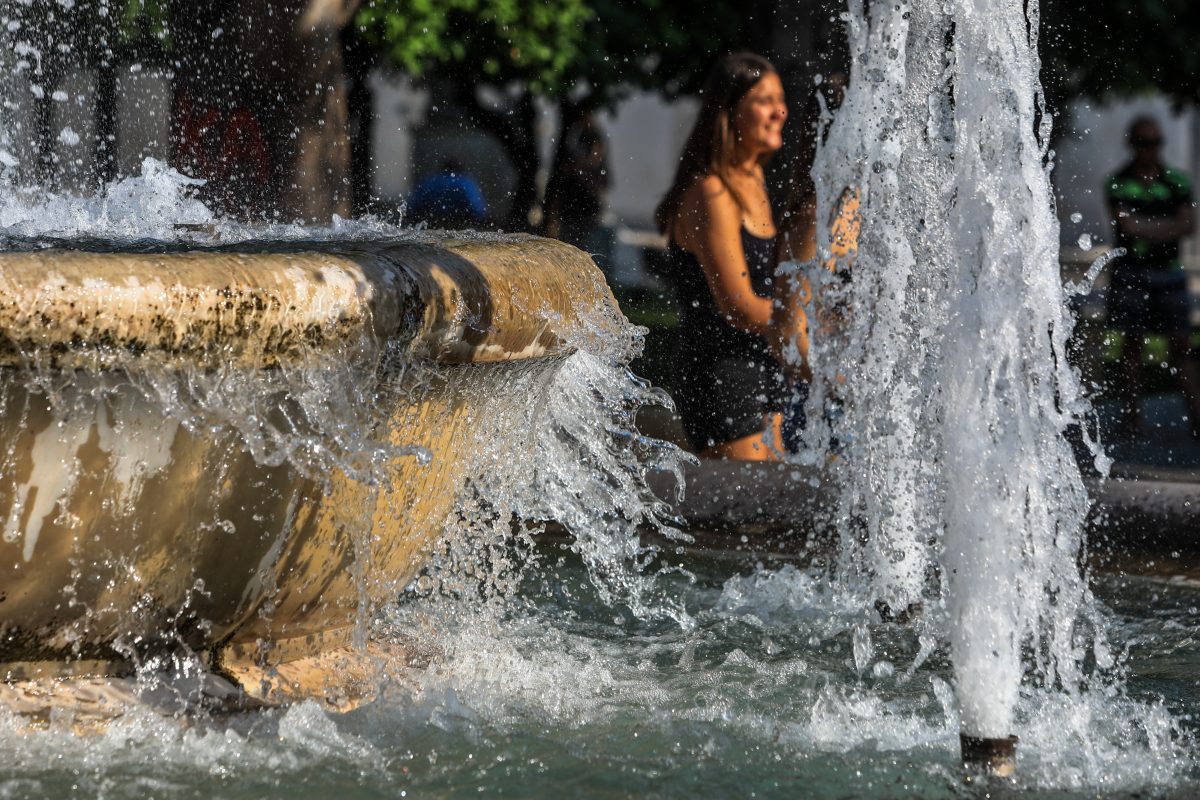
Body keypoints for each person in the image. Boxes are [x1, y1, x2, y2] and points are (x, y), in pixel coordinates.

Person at [655, 52, 789, 460]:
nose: (779, 111)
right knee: (742, 517)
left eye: (780, 99)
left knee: (774, 511)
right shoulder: (711, 192)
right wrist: (806, 318)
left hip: (763, 367)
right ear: (729, 111)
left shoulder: (754, 179)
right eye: (764, 100)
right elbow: (740, 306)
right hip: (723, 375)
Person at [1105, 116, 1200, 437]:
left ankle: (1195, 418)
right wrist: (1165, 228)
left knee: (1181, 345)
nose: (1151, 150)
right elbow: (1125, 227)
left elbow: (1187, 226)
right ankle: (1133, 420)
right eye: (1144, 143)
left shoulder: (1176, 181)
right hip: (1132, 271)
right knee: (1132, 346)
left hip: (1168, 274)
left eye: (1156, 142)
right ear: (1132, 144)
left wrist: (1145, 229)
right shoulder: (1118, 182)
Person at [544, 111, 614, 273]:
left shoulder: (593, 136)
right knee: (572, 248)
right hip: (575, 205)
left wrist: (575, 167)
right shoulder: (577, 136)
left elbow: (595, 162)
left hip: (587, 206)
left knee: (588, 251)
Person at [407, 158, 488, 230]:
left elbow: (412, 205)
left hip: (431, 225)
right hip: (460, 226)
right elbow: (478, 209)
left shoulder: (430, 181)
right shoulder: (466, 182)